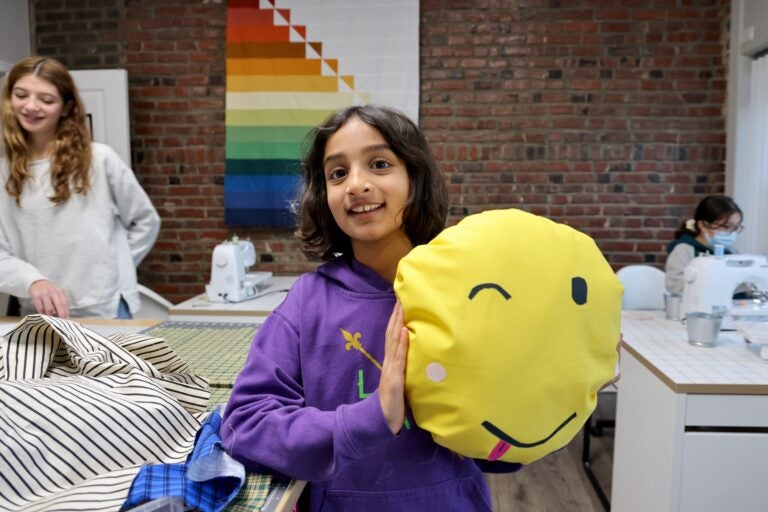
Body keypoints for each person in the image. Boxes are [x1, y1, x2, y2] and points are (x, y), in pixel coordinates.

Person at [221, 105, 519, 511]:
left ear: (415, 178)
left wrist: (560, 394)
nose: (356, 184)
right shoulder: (308, 303)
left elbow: (501, 450)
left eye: (379, 164)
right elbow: (246, 426)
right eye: (337, 173)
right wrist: (373, 417)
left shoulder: (469, 294)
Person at [0, 56, 160, 319]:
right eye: (21, 95)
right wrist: (32, 281)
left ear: (66, 108)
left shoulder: (99, 159)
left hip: (107, 309)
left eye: (46, 99)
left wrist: (111, 270)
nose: (31, 106)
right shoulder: (4, 173)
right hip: (39, 314)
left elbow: (145, 221)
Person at [665, 194, 743, 294]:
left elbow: (741, 287)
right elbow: (676, 287)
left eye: (736, 227)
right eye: (727, 226)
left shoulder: (732, 252)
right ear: (702, 225)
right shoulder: (684, 250)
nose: (732, 232)